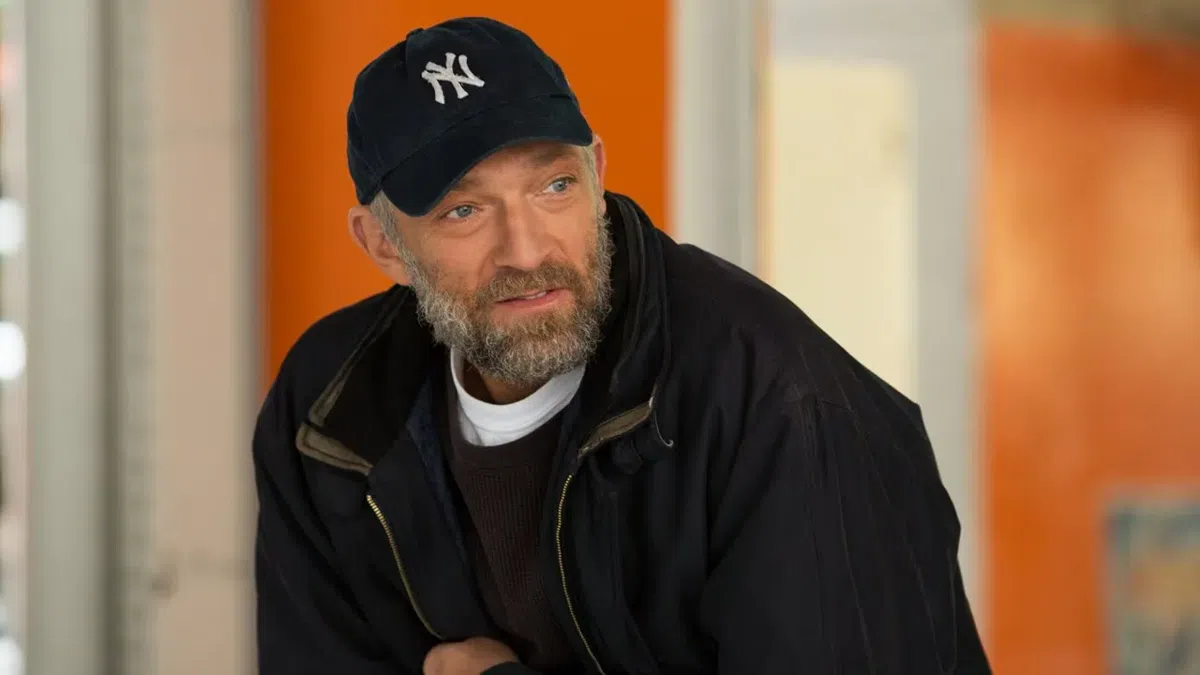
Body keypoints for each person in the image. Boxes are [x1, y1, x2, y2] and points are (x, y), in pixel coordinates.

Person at [253, 16, 991, 675]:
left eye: (554, 187)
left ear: (598, 174)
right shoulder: (329, 414)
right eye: (464, 210)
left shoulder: (780, 406)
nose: (527, 250)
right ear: (382, 243)